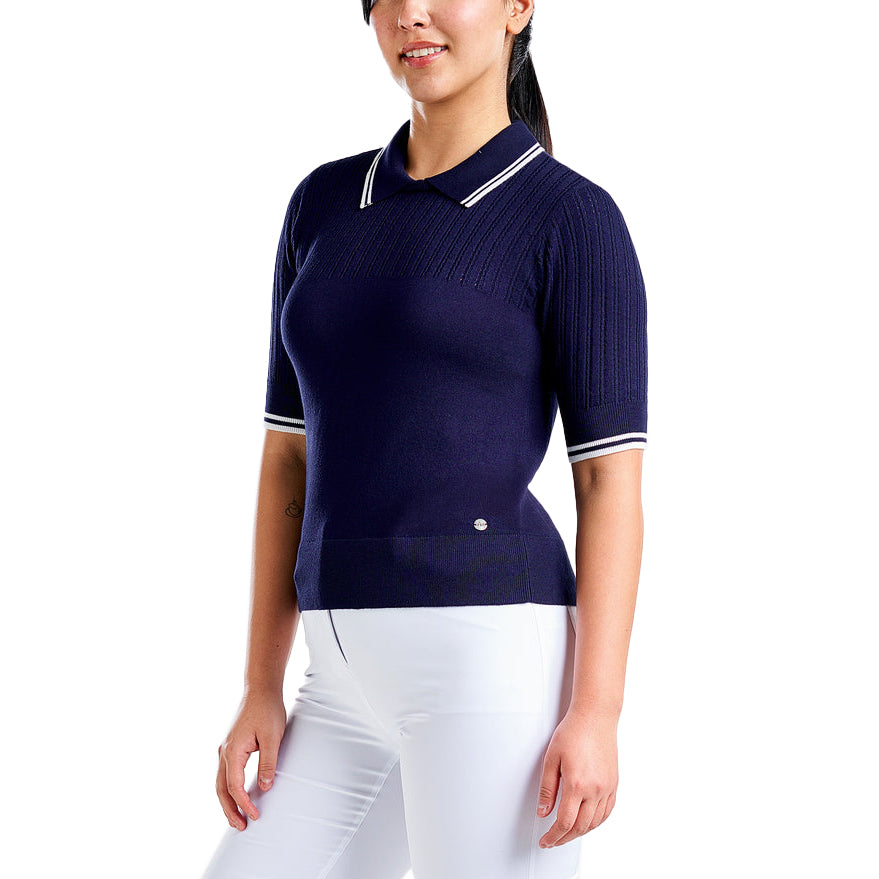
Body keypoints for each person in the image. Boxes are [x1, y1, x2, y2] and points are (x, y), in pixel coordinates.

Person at [200, 1, 648, 877]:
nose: (412, 12)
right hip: (336, 678)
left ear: (517, 7)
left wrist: (596, 711)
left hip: (487, 660)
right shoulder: (323, 203)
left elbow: (608, 485)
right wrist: (260, 681)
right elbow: (287, 454)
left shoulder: (568, 217)